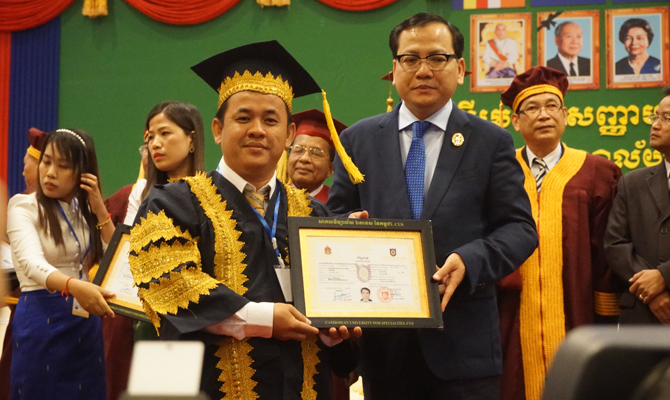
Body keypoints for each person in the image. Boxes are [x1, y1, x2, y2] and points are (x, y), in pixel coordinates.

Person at [128, 40, 359, 400]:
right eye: (243, 118)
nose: (257, 130)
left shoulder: (313, 214)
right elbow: (169, 284)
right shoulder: (172, 203)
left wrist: (335, 330)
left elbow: (333, 310)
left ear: (289, 135)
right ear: (218, 129)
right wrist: (263, 319)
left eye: (271, 120)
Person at [328, 13, 538, 400]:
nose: (423, 70)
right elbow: (336, 219)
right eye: (410, 59)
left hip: (464, 349)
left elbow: (520, 229)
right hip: (384, 348)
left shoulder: (490, 141)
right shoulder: (357, 141)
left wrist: (471, 259)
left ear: (460, 69)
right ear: (394, 70)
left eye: (437, 58)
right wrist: (347, 232)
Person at [498, 66, 622, 400]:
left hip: (577, 307)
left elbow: (606, 249)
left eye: (552, 106)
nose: (544, 115)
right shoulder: (500, 172)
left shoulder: (598, 172)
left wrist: (606, 315)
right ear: (516, 121)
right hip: (510, 313)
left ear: (565, 115)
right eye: (532, 108)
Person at [6, 128, 116, 399]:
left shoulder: (84, 210)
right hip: (40, 317)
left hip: (83, 322)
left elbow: (115, 259)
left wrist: (100, 210)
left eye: (63, 166)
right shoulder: (23, 206)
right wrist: (75, 286)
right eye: (46, 161)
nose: (50, 172)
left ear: (83, 173)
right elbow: (32, 264)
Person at [604, 86, 670, 325]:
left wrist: (664, 277)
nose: (655, 125)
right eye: (655, 117)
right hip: (641, 313)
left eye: (666, 118)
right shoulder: (632, 182)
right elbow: (615, 243)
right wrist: (651, 292)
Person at [287, 108, 346, 203]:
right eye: (298, 150)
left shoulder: (337, 205)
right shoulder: (271, 199)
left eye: (315, 153)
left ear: (330, 168)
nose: (304, 158)